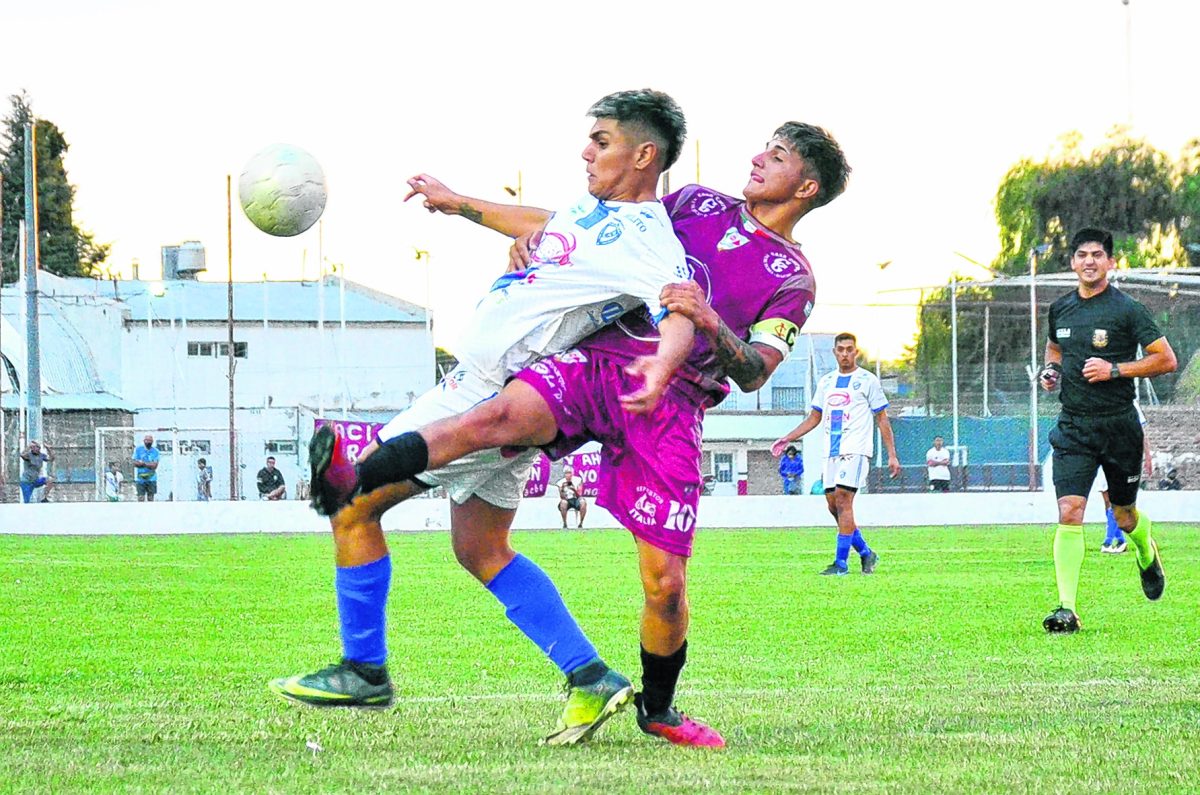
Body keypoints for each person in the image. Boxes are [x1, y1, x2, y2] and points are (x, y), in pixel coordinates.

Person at [296, 120, 846, 749]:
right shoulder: (695, 204)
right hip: (599, 362)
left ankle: (655, 708)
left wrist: (710, 321)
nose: (755, 159)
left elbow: (755, 372)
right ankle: (352, 479)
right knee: (495, 420)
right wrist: (510, 228)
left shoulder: (792, 280)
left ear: (805, 186)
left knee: (664, 587)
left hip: (672, 408)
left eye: (774, 157)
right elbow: (586, 228)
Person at [271, 89, 696, 745]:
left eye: (602, 140)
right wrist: (458, 202)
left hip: (485, 395)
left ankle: (364, 667)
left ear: (644, 154)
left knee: (353, 507)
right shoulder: (594, 211)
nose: (587, 149)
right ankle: (590, 676)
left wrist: (664, 364)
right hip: (504, 395)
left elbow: (677, 308)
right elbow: (545, 222)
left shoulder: (648, 240)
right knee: (480, 547)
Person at [1037, 227, 1176, 634]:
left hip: (1118, 427)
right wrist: (1051, 372)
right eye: (1082, 255)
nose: (1089, 262)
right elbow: (1055, 349)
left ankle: (1146, 554)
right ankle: (1066, 608)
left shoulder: (1127, 310)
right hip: (1073, 426)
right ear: (1072, 263)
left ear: (1111, 262)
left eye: (1097, 254)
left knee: (1124, 514)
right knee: (1070, 511)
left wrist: (1115, 369)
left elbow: (1166, 359)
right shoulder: (1060, 309)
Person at [771, 333, 900, 575]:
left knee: (843, 499)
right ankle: (866, 553)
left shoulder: (867, 380)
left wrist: (892, 455)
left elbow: (882, 418)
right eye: (840, 349)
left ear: (856, 352)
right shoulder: (826, 382)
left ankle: (841, 564)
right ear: (834, 352)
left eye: (849, 349)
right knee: (833, 506)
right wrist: (789, 437)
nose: (844, 353)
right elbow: (814, 417)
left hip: (856, 449)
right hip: (831, 451)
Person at [1097, 405, 1150, 554]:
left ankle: (1108, 542)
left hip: (1122, 456)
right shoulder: (1097, 398)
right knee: (1107, 499)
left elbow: (1141, 430)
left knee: (1117, 501)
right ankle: (1120, 540)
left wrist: (1147, 455)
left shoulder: (1130, 401)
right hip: (1102, 455)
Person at [132, 434, 159, 502]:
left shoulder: (155, 451)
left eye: (150, 440)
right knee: (140, 497)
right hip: (140, 478)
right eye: (147, 440)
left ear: (152, 441)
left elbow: (154, 466)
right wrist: (148, 464)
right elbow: (135, 463)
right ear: (144, 441)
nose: (148, 442)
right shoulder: (138, 450)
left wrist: (143, 463)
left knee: (150, 498)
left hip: (152, 478)